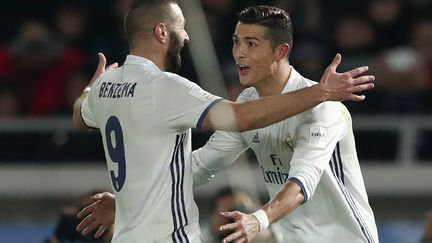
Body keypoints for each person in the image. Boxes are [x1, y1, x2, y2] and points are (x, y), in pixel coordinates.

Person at [72, 1, 374, 242]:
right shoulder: (247, 103)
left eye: (251, 44)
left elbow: (301, 184)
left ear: (281, 51)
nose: (239, 53)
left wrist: (258, 220)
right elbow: (200, 165)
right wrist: (131, 200)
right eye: (236, 41)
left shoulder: (324, 110)